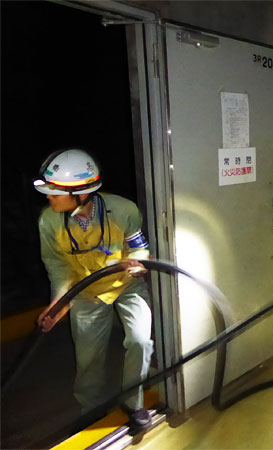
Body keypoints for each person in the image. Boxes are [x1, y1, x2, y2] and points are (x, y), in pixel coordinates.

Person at [33, 149, 154, 429]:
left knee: (140, 341)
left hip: (127, 286)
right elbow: (57, 267)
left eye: (54, 192)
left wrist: (141, 262)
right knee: (88, 359)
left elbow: (140, 247)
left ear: (81, 193)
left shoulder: (124, 210)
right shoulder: (48, 221)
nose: (48, 197)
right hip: (85, 293)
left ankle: (134, 404)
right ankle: (91, 409)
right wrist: (57, 304)